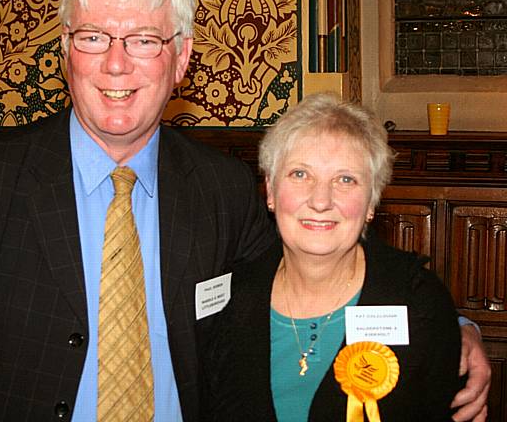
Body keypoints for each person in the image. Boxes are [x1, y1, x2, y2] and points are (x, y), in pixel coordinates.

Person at [0, 0, 490, 421]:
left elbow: (317, 254)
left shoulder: (221, 188)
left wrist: (449, 324)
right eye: (93, 38)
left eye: (143, 40)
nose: (117, 63)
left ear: (182, 58)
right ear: (65, 50)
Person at [199, 92, 485, 421]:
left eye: (345, 179)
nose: (321, 201)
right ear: (271, 191)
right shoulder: (232, 299)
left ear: (372, 204)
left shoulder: (419, 304)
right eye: (300, 174)